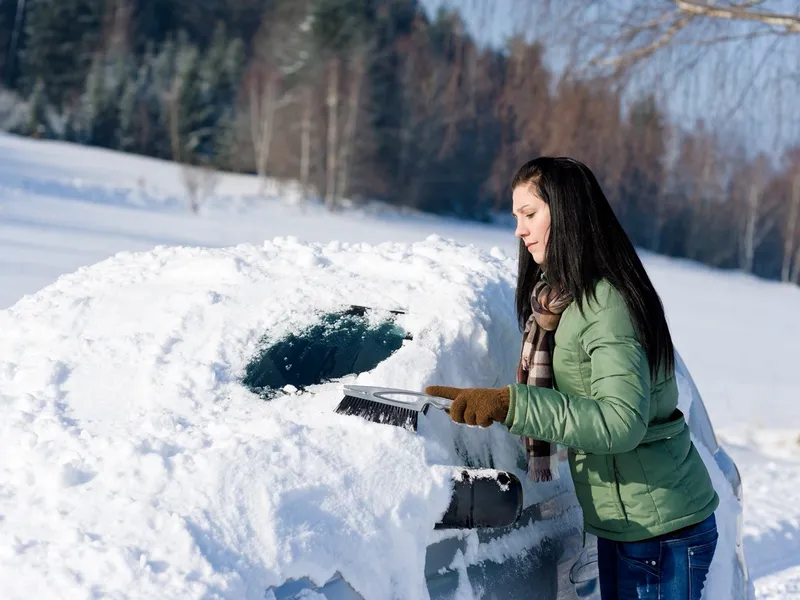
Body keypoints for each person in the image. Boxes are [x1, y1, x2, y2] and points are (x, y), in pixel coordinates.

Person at [426, 157, 720, 600]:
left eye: (530, 215)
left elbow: (620, 422)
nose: (519, 231)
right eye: (516, 218)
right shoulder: (562, 301)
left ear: (566, 214)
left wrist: (513, 404)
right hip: (629, 524)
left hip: (661, 530)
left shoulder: (605, 304)